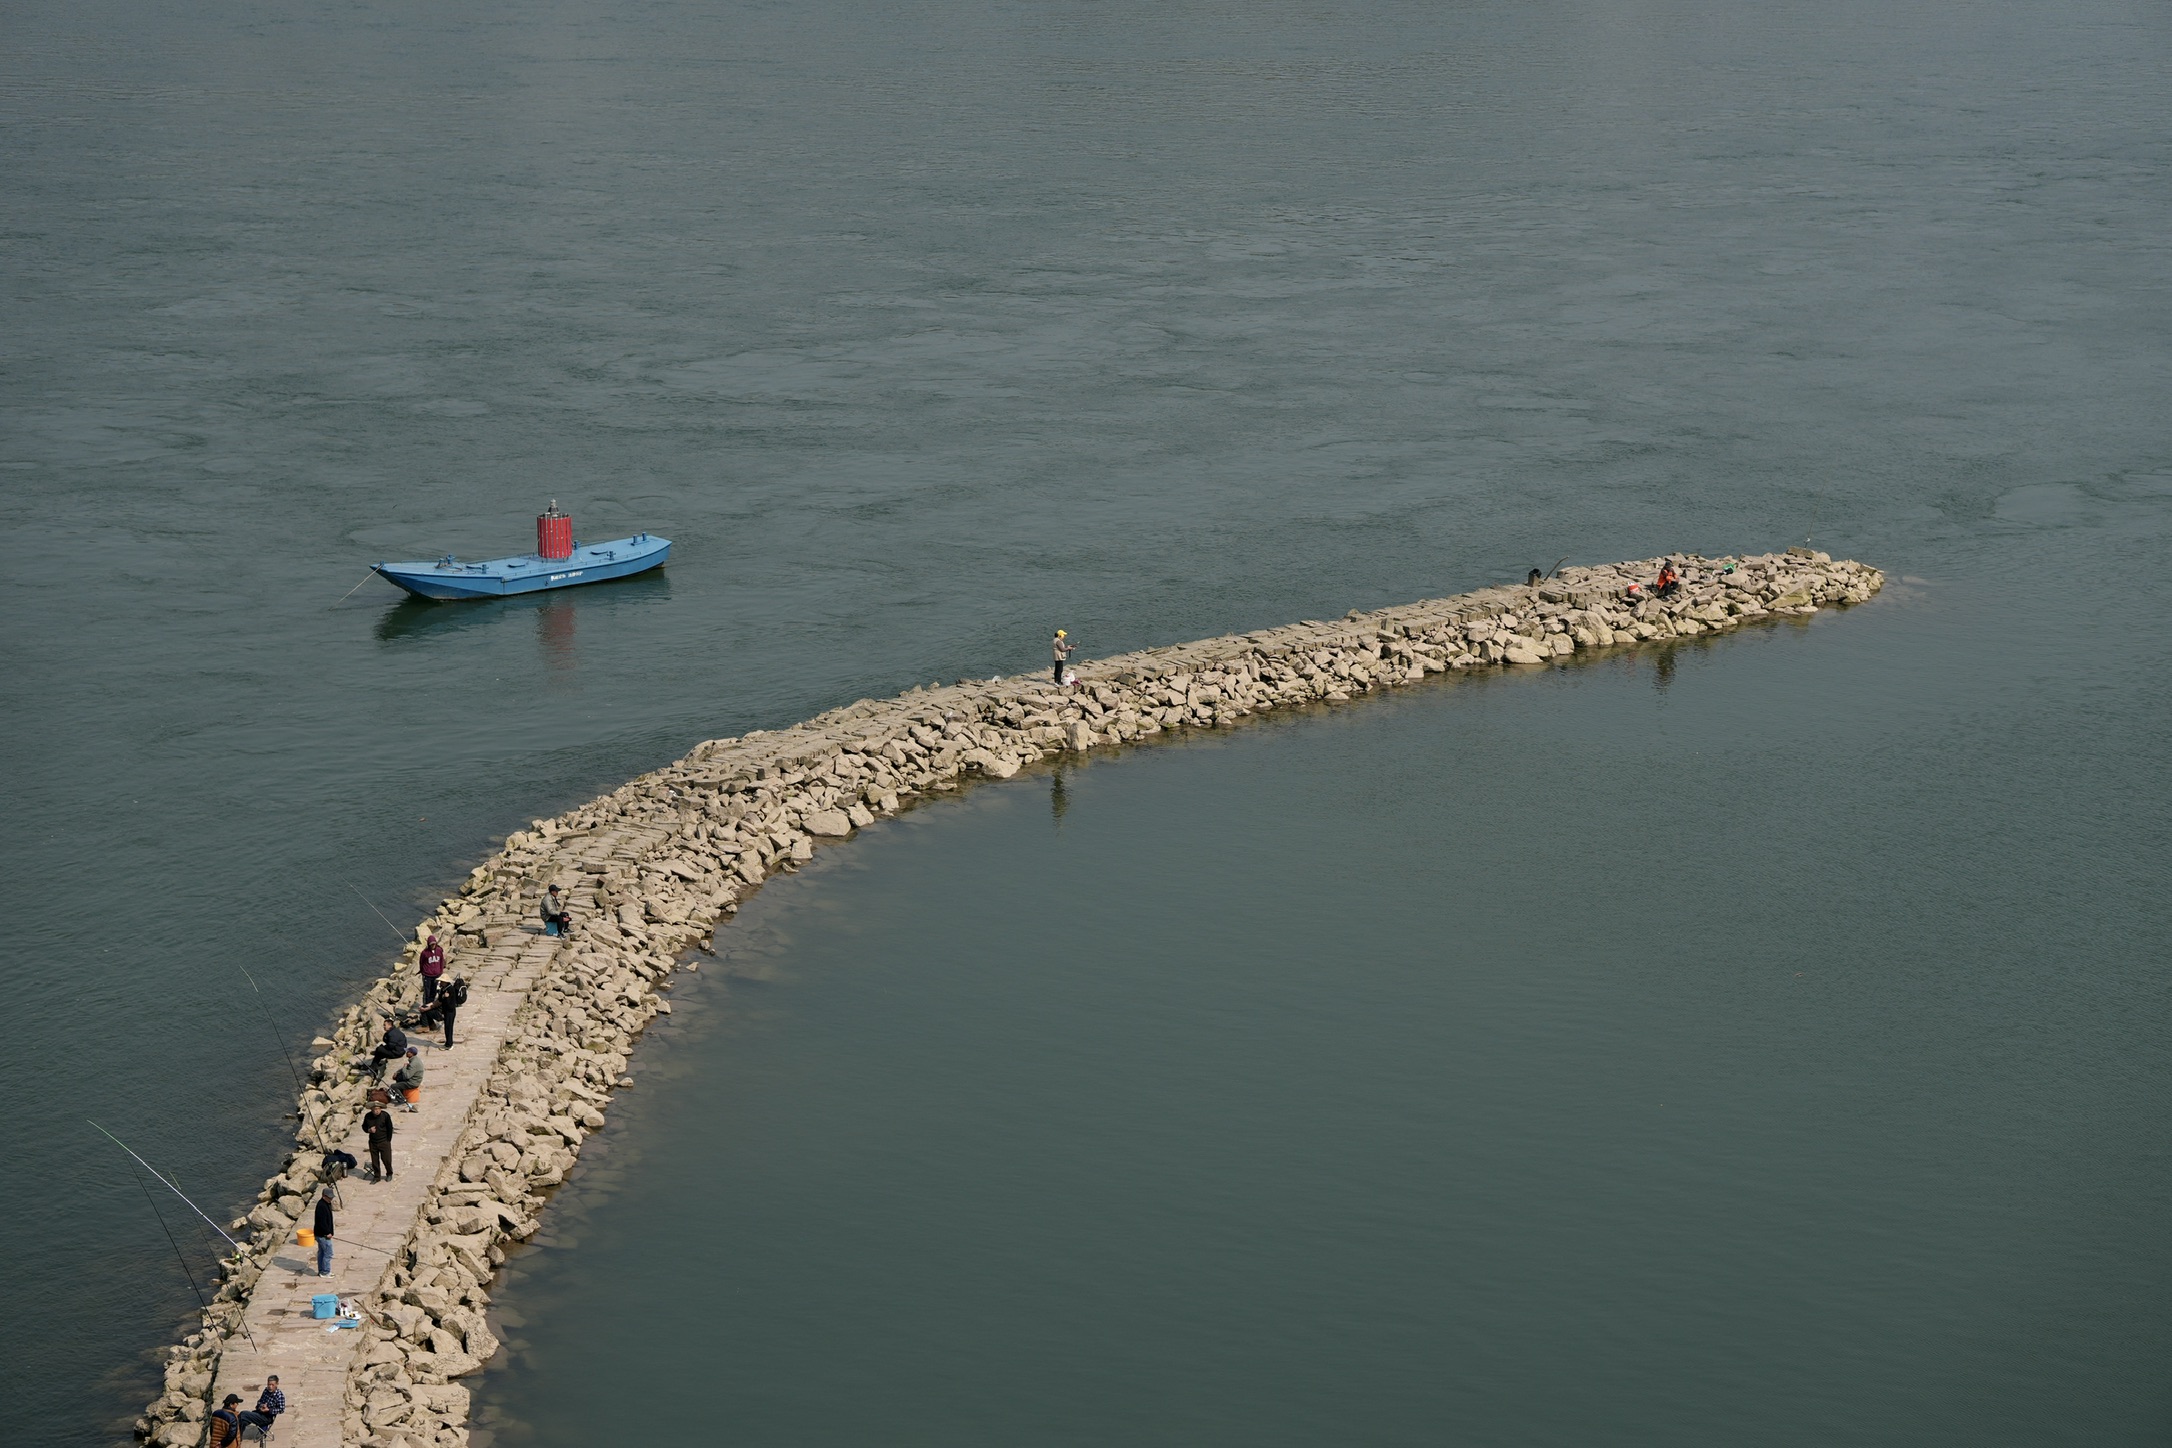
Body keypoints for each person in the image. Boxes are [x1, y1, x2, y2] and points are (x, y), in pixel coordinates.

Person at [363, 1100, 394, 1182]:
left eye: (377, 1109)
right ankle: (377, 1177)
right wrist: (369, 1130)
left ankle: (389, 1173)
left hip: (384, 1141)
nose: (376, 1111)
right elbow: (364, 1126)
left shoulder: (385, 1115)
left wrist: (388, 1140)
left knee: (387, 1160)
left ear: (380, 1109)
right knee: (375, 1161)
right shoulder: (368, 1116)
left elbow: (390, 1128)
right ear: (371, 1110)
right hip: (373, 1142)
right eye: (374, 1109)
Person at [436, 974, 468, 1048]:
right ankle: (447, 1042)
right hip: (445, 1011)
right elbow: (440, 999)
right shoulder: (443, 989)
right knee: (446, 1028)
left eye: (442, 982)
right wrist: (443, 996)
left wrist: (446, 998)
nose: (440, 983)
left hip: (450, 1011)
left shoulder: (451, 989)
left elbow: (450, 1004)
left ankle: (449, 1044)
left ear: (446, 982)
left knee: (449, 1028)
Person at [419, 933, 446, 1006]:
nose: (433, 945)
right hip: (427, 975)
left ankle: (431, 1005)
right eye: (431, 944)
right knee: (427, 992)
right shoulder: (424, 953)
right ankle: (426, 1005)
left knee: (434, 991)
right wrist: (423, 972)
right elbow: (421, 962)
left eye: (434, 944)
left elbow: (441, 961)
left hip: (436, 975)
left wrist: (440, 971)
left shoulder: (439, 951)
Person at [313, 1190, 335, 1276]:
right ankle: (325, 1272)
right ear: (324, 1196)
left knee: (322, 1252)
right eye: (329, 1198)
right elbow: (321, 1222)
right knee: (328, 1253)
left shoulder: (326, 1203)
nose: (331, 1199)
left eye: (331, 1197)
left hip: (322, 1234)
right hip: (323, 1235)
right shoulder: (321, 1206)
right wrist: (327, 1233)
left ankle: (322, 1271)